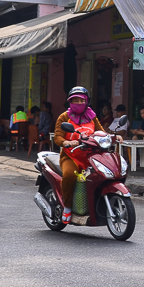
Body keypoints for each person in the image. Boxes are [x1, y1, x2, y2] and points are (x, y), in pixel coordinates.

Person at [53, 87, 106, 224]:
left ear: (86, 101)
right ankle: (67, 207)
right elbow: (57, 137)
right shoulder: (64, 117)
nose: (78, 102)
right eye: (75, 100)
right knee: (70, 175)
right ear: (70, 102)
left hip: (91, 156)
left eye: (81, 100)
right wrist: (67, 142)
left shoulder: (92, 117)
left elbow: (101, 132)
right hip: (71, 156)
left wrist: (113, 137)